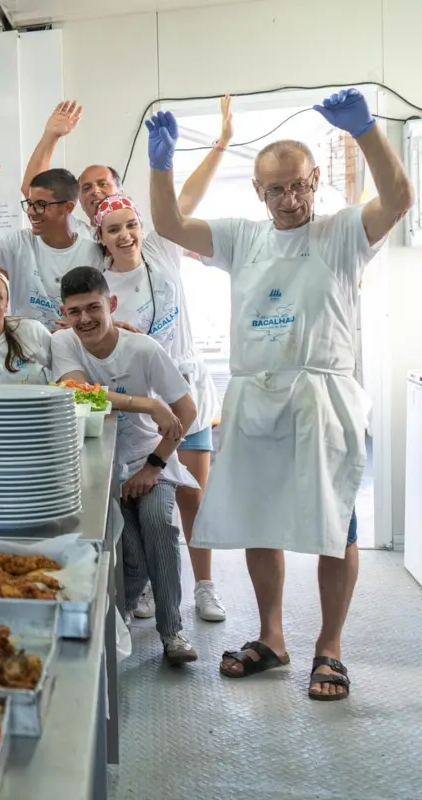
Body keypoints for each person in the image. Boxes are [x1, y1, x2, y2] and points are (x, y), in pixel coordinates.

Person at [147, 89, 414, 699]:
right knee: (258, 522)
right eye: (277, 190)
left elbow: (399, 197)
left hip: (322, 400)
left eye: (298, 186)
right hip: (254, 399)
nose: (290, 199)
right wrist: (161, 165)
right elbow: (168, 224)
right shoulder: (244, 238)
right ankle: (272, 639)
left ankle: (330, 648)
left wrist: (369, 132)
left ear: (314, 179)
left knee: (335, 524)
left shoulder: (344, 231)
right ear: (258, 193)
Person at [52, 266, 199, 664]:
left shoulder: (144, 350)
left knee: (158, 525)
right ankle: (120, 619)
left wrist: (152, 469)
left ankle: (173, 632)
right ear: (63, 313)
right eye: (75, 311)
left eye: (93, 308)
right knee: (128, 555)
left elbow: (186, 409)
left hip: (150, 458)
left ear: (111, 304)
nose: (85, 319)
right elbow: (77, 390)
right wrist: (146, 403)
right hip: (101, 472)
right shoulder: (65, 343)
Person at [95, 194, 224, 621]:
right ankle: (150, 584)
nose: (125, 234)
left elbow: (183, 198)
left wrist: (218, 145)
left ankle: (205, 587)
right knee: (145, 503)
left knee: (193, 496)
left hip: (184, 393)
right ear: (101, 237)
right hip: (138, 408)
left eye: (131, 224)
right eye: (113, 229)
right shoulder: (99, 285)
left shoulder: (162, 260)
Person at [22, 96, 235, 232]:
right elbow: (33, 193)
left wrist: (221, 144)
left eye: (102, 184)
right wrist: (51, 136)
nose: (95, 191)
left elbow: (188, 197)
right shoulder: (76, 237)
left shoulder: (153, 233)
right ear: (77, 201)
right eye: (86, 188)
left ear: (120, 191)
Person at [0, 159, 105, 330]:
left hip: (74, 347)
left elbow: (101, 307)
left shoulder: (92, 251)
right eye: (29, 204)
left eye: (41, 205)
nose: (31, 212)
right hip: (25, 349)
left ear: (67, 207)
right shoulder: (19, 242)